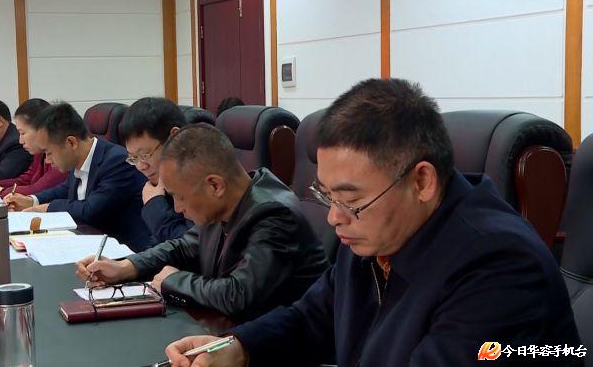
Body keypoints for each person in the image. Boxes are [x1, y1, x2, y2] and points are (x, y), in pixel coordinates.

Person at [164, 79, 582, 367]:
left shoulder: (500, 266)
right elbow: (313, 317)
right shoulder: (375, 234)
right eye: (327, 195)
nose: (334, 216)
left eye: (350, 200)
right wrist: (237, 347)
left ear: (421, 181)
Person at [77, 123, 328, 321]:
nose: (177, 208)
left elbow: (239, 295)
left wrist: (173, 281)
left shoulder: (274, 214)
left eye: (179, 197)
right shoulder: (227, 201)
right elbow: (184, 247)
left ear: (214, 185)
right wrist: (126, 267)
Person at [4, 102, 152, 252]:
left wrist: (47, 208)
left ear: (71, 142)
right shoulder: (80, 159)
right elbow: (64, 189)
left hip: (124, 252)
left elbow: (91, 210)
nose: (47, 160)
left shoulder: (117, 161)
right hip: (90, 242)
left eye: (49, 153)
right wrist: (32, 201)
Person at [118, 97, 192, 244]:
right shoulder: (158, 181)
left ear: (174, 137)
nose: (141, 166)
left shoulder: (200, 178)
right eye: (133, 158)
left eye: (145, 155)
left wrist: (155, 206)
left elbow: (193, 247)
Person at [0, 98, 66, 198]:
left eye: (23, 133)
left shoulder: (61, 154)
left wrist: (1, 191)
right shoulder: (39, 153)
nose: (20, 141)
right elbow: (26, 180)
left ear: (42, 130)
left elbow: (37, 189)